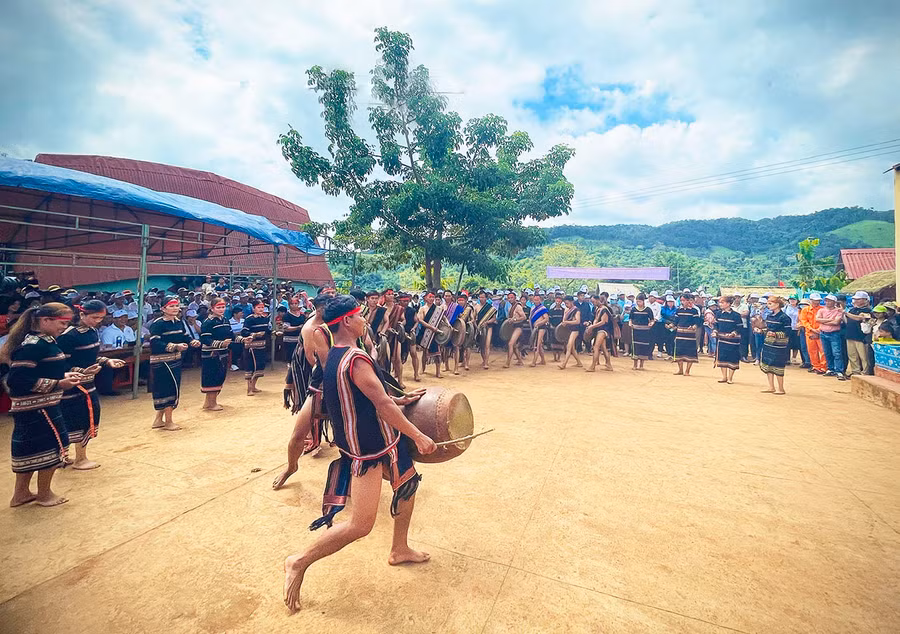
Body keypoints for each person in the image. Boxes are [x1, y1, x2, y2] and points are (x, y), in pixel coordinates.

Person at [282, 295, 436, 614]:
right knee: (360, 525)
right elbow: (381, 405)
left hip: (379, 442)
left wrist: (400, 399)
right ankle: (298, 561)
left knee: (407, 484)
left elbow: (365, 396)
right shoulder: (355, 358)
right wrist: (418, 434)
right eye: (360, 315)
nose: (365, 319)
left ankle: (399, 548)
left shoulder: (338, 354)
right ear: (348, 322)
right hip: (369, 449)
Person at [3, 302, 83, 507]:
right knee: (54, 446)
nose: (64, 327)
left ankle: (21, 493)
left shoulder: (44, 342)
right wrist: (59, 383)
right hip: (38, 408)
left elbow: (39, 372)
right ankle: (44, 494)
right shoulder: (34, 346)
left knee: (30, 449)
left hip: (38, 407)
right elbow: (17, 380)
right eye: (62, 322)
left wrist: (65, 376)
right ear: (45, 321)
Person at [57, 300, 126, 470]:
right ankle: (69, 457)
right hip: (72, 385)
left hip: (89, 383)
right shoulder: (69, 336)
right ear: (82, 315)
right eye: (94, 317)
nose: (98, 321)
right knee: (72, 419)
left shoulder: (93, 332)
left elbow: (93, 357)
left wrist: (107, 361)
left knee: (88, 417)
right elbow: (60, 364)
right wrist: (82, 370)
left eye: (100, 318)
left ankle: (78, 456)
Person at [273, 293, 333, 490]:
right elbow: (313, 360)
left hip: (339, 376)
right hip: (320, 379)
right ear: (318, 308)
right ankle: (291, 467)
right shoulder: (311, 328)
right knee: (298, 434)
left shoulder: (336, 323)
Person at [149, 296, 200, 431]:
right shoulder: (158, 324)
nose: (175, 308)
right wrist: (174, 346)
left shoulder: (179, 322)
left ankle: (159, 419)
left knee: (171, 387)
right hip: (162, 361)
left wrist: (191, 341)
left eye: (176, 306)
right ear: (163, 309)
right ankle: (169, 422)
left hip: (175, 359)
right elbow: (155, 343)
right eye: (171, 306)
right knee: (168, 388)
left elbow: (184, 336)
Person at [200, 297, 242, 411]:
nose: (221, 309)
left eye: (223, 307)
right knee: (212, 376)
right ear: (212, 308)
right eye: (218, 307)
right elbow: (205, 339)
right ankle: (212, 403)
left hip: (223, 352)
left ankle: (208, 402)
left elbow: (231, 335)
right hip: (211, 353)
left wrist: (242, 339)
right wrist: (220, 344)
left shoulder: (225, 320)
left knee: (220, 376)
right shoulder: (208, 322)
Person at [759, 296, 792, 394]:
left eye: (770, 303)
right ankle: (771, 387)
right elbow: (768, 329)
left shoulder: (785, 317)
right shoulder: (769, 316)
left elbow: (788, 332)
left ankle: (781, 388)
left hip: (779, 345)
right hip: (768, 343)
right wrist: (761, 331)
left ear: (777, 305)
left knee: (778, 365)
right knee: (768, 364)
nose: (768, 306)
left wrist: (776, 334)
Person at [242, 299, 274, 395]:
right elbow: (244, 332)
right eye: (258, 307)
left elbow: (267, 331)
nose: (261, 309)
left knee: (260, 366)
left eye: (262, 307)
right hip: (251, 346)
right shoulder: (249, 319)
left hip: (262, 345)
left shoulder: (265, 318)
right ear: (253, 308)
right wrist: (255, 334)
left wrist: (274, 332)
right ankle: (249, 389)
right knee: (250, 366)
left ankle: (253, 386)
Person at [712, 296, 742, 384]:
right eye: (720, 302)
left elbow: (740, 328)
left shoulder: (736, 315)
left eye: (722, 302)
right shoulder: (718, 314)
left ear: (729, 304)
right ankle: (724, 377)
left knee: (732, 358)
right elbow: (716, 325)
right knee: (722, 357)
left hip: (733, 341)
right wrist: (715, 331)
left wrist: (734, 333)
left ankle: (730, 378)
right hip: (721, 340)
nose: (720, 304)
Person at [817, 294, 847, 380]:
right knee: (827, 352)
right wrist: (830, 320)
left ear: (834, 302)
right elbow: (817, 319)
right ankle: (830, 369)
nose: (827, 302)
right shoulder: (821, 310)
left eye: (829, 301)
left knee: (837, 353)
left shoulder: (838, 311)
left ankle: (839, 371)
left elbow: (836, 323)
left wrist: (823, 321)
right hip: (823, 333)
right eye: (826, 300)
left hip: (834, 333)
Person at [844, 290, 874, 376]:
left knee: (863, 356)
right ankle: (855, 372)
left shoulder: (868, 310)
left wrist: (845, 313)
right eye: (855, 299)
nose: (856, 301)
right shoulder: (853, 309)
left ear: (865, 300)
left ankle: (865, 372)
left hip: (861, 337)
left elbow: (859, 318)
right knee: (852, 356)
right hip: (850, 335)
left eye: (859, 299)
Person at [415, 292, 443, 378]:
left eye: (433, 297)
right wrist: (431, 327)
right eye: (430, 297)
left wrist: (448, 325)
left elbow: (443, 318)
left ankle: (438, 372)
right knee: (425, 351)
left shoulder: (438, 309)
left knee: (437, 353)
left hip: (435, 333)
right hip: (426, 332)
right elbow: (420, 320)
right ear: (425, 298)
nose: (431, 299)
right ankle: (422, 369)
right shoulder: (422, 308)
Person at [672, 293, 701, 376]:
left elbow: (698, 322)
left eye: (684, 300)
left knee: (690, 352)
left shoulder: (694, 311)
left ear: (689, 301)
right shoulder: (679, 310)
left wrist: (694, 326)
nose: (682, 302)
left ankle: (687, 371)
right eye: (681, 300)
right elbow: (676, 321)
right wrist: (671, 325)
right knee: (679, 351)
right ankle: (680, 370)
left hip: (690, 335)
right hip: (680, 334)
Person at [629, 294, 655, 370]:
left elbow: (652, 320)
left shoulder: (648, 310)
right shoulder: (633, 309)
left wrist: (651, 324)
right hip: (636, 330)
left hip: (645, 331)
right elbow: (630, 319)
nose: (638, 303)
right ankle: (635, 365)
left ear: (643, 301)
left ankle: (641, 365)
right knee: (635, 347)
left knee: (643, 347)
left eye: (639, 301)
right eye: (637, 301)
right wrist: (630, 324)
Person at [558, 296, 583, 370]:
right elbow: (564, 320)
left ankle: (564, 364)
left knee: (569, 346)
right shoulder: (567, 310)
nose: (566, 305)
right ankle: (579, 362)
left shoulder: (577, 310)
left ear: (572, 302)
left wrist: (567, 322)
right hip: (569, 330)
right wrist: (565, 314)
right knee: (572, 348)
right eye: (565, 303)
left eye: (567, 303)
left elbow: (577, 321)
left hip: (575, 330)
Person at [474, 290, 497, 369]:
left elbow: (494, 319)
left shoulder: (490, 308)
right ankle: (484, 360)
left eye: (483, 297)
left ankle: (486, 362)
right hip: (480, 328)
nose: (481, 299)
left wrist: (487, 322)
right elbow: (474, 318)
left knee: (487, 345)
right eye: (480, 297)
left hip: (488, 327)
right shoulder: (476, 307)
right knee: (482, 345)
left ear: (486, 298)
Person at [503, 291, 526, 368]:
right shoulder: (510, 307)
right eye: (509, 298)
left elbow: (524, 317)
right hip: (512, 327)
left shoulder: (518, 307)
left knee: (510, 344)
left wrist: (515, 320)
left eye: (512, 297)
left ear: (515, 298)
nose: (510, 299)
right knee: (514, 346)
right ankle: (520, 361)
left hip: (518, 327)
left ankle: (508, 362)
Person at [528, 294, 549, 367]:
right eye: (535, 300)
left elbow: (546, 319)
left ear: (540, 300)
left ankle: (534, 361)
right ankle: (543, 360)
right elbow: (530, 318)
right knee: (539, 345)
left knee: (537, 344)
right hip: (534, 328)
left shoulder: (543, 308)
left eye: (537, 300)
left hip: (541, 328)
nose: (536, 301)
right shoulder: (532, 308)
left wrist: (539, 323)